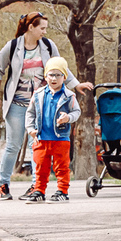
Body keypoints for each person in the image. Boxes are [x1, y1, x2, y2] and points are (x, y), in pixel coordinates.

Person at [0, 13, 85, 200]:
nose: (45, 31)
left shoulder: (48, 46)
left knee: (38, 145)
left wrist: (76, 84)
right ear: (31, 27)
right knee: (13, 145)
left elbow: (61, 67)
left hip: (42, 105)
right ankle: (3, 185)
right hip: (16, 104)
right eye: (42, 28)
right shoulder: (12, 47)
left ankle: (36, 187)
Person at [21, 58, 79, 203]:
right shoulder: (38, 94)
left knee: (61, 166)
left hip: (60, 138)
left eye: (58, 75)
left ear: (64, 77)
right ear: (45, 76)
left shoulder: (69, 96)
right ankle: (39, 191)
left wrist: (68, 118)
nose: (53, 78)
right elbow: (30, 113)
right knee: (40, 166)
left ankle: (62, 191)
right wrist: (30, 129)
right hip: (41, 137)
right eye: (50, 75)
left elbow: (77, 112)